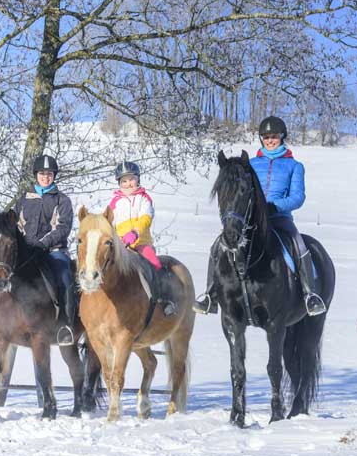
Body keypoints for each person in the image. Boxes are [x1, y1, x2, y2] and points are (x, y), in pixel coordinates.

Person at [193, 116, 327, 317]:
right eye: (266, 137)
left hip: (279, 218)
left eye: (274, 136)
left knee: (299, 245)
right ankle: (211, 295)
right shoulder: (251, 164)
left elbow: (298, 197)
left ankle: (310, 294)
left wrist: (273, 206)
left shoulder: (294, 166)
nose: (270, 140)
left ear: (282, 137)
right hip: (250, 219)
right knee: (217, 246)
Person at [14, 154, 76, 346]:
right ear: (36, 175)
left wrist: (42, 244)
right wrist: (24, 245)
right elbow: (15, 225)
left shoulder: (62, 200)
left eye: (49, 174)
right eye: (42, 173)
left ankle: (65, 325)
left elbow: (63, 227)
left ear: (54, 176)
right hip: (27, 253)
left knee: (65, 276)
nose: (45, 177)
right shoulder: (24, 199)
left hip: (53, 251)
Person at [109, 161, 176, 316]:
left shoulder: (144, 198)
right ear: (119, 183)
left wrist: (135, 232)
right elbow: (110, 223)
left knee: (155, 263)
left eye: (131, 179)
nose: (128, 184)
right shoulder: (115, 202)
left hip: (141, 243)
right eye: (124, 181)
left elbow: (146, 218)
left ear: (138, 179)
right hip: (121, 246)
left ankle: (166, 299)